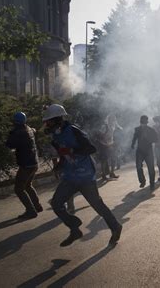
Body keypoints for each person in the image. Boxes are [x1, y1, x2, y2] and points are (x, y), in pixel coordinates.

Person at [43, 104, 122, 247]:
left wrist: (72, 149)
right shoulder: (55, 135)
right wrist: (59, 165)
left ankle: (116, 227)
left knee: (97, 205)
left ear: (57, 120)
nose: (46, 124)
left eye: (49, 121)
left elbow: (91, 148)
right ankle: (74, 228)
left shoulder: (74, 131)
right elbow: (63, 154)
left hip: (85, 175)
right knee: (56, 204)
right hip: (70, 176)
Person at [6, 112, 43, 219]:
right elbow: (34, 130)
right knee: (27, 185)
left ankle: (31, 211)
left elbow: (9, 144)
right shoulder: (29, 129)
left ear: (15, 122)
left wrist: (11, 133)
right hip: (34, 163)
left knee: (19, 189)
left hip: (26, 165)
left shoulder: (18, 132)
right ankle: (37, 206)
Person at [131, 115, 158, 190]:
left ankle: (152, 183)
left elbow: (156, 139)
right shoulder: (137, 129)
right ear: (140, 122)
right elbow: (134, 137)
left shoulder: (151, 130)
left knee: (151, 168)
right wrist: (132, 144)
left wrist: (148, 139)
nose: (143, 125)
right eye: (142, 123)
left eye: (144, 123)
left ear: (146, 123)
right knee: (138, 166)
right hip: (140, 151)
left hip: (148, 151)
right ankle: (142, 181)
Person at [97, 114, 121, 179]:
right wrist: (104, 144)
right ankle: (104, 175)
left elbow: (120, 128)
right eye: (112, 119)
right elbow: (99, 136)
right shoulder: (104, 126)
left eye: (114, 119)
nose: (114, 120)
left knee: (114, 159)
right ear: (109, 119)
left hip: (111, 144)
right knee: (104, 160)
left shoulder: (113, 126)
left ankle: (112, 173)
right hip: (104, 146)